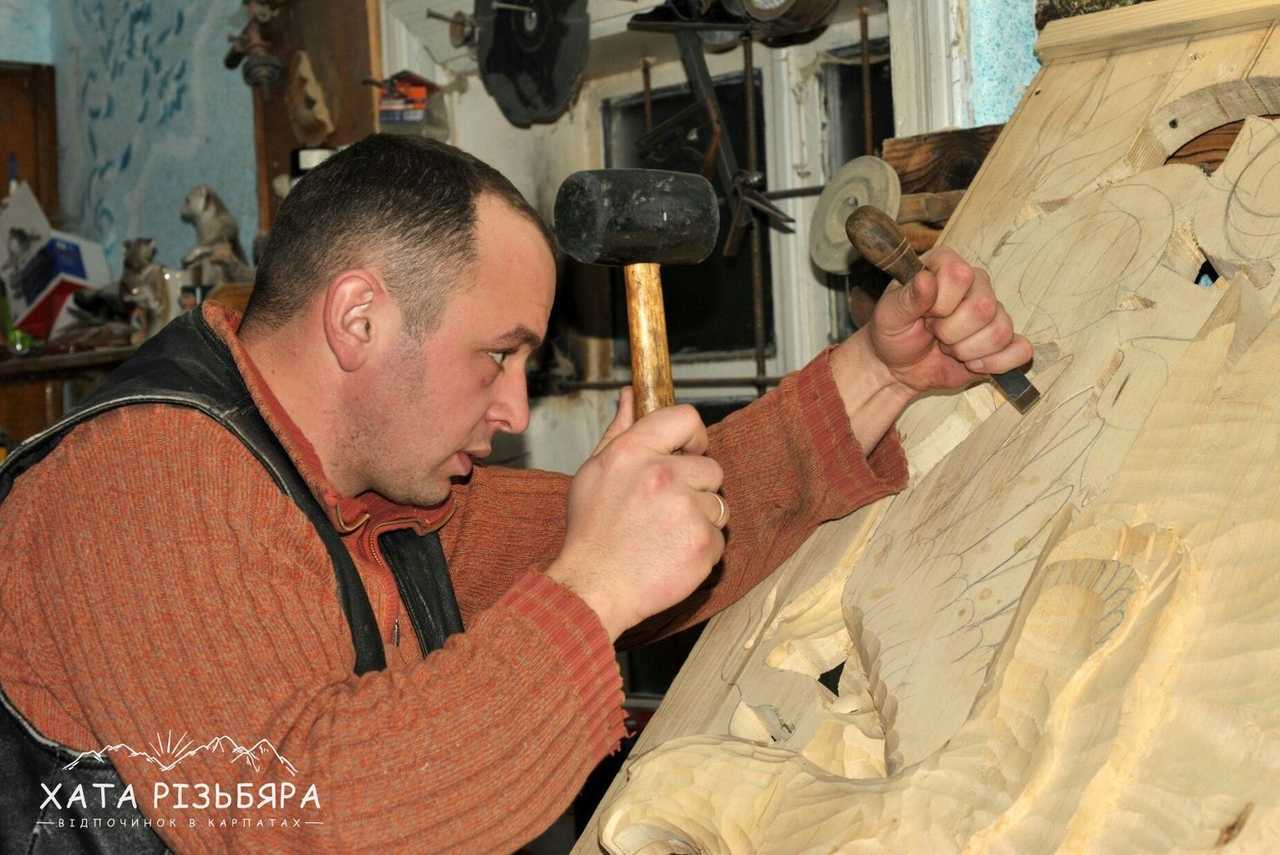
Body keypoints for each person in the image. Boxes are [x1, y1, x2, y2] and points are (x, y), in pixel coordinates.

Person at [0, 135, 1032, 852]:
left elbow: (664, 523)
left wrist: (877, 374)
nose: (512, 409)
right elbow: (304, 821)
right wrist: (593, 590)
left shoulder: (377, 498)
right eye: (497, 354)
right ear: (358, 319)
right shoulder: (143, 481)